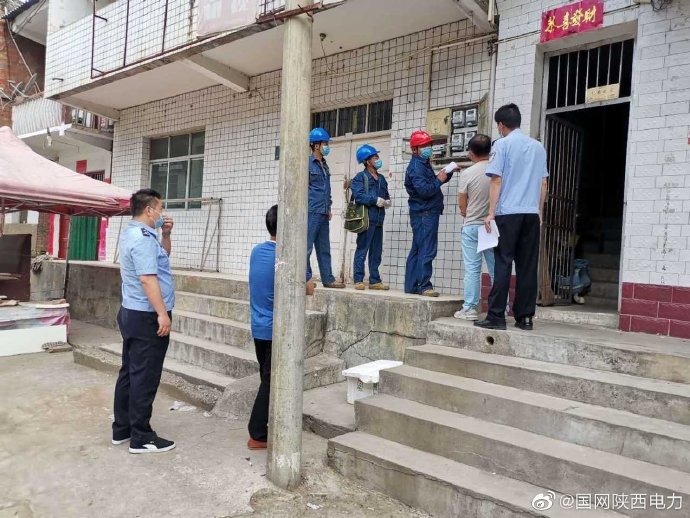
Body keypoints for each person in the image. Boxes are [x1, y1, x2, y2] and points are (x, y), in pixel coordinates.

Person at [475, 103, 549, 331]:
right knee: (527, 265)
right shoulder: (538, 147)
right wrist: (539, 213)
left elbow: (496, 180)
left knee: (503, 263)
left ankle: (496, 316)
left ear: (500, 125)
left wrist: (490, 213)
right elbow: (543, 183)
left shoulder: (501, 145)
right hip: (531, 214)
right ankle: (525, 318)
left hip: (508, 213)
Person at [113, 188, 176, 454]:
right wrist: (162, 313)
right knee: (145, 376)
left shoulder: (137, 234)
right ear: (149, 210)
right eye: (160, 208)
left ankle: (122, 428)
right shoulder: (142, 238)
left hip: (132, 311)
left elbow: (162, 259)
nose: (162, 213)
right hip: (146, 315)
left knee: (130, 372)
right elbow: (148, 279)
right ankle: (141, 437)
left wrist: (166, 235)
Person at [404, 129, 457, 297]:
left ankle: (412, 286)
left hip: (423, 212)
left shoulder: (422, 164)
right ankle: (424, 286)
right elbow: (425, 191)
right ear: (415, 149)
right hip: (425, 213)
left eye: (429, 145)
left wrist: (446, 174)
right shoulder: (416, 167)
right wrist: (439, 180)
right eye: (424, 146)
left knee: (418, 249)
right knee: (427, 249)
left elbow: (431, 183)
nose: (428, 148)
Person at [247, 205, 278, 450]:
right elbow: (308, 287)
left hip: (258, 325)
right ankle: (257, 434)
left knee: (265, 376)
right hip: (275, 329)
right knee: (270, 380)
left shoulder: (257, 251)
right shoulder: (289, 255)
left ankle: (267, 424)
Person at [455, 134, 495, 321]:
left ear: (471, 152)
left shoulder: (467, 173)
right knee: (495, 268)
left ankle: (470, 308)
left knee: (472, 269)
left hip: (472, 225)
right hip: (490, 226)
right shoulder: (497, 170)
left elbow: (462, 203)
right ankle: (499, 307)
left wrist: (466, 211)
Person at [307, 128, 345, 289]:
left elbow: (327, 189)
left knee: (324, 248)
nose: (327, 146)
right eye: (325, 143)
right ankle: (306, 279)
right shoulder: (307, 164)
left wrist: (328, 207)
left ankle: (328, 279)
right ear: (316, 145)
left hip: (323, 211)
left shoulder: (324, 165)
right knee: (306, 247)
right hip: (311, 211)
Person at [351, 144, 392, 291]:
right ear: (367, 161)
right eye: (375, 157)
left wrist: (387, 201)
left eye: (377, 156)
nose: (378, 159)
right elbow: (359, 196)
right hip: (366, 219)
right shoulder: (360, 178)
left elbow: (386, 195)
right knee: (362, 249)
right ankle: (358, 279)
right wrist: (375, 200)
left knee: (376, 251)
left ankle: (374, 280)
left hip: (379, 219)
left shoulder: (381, 178)